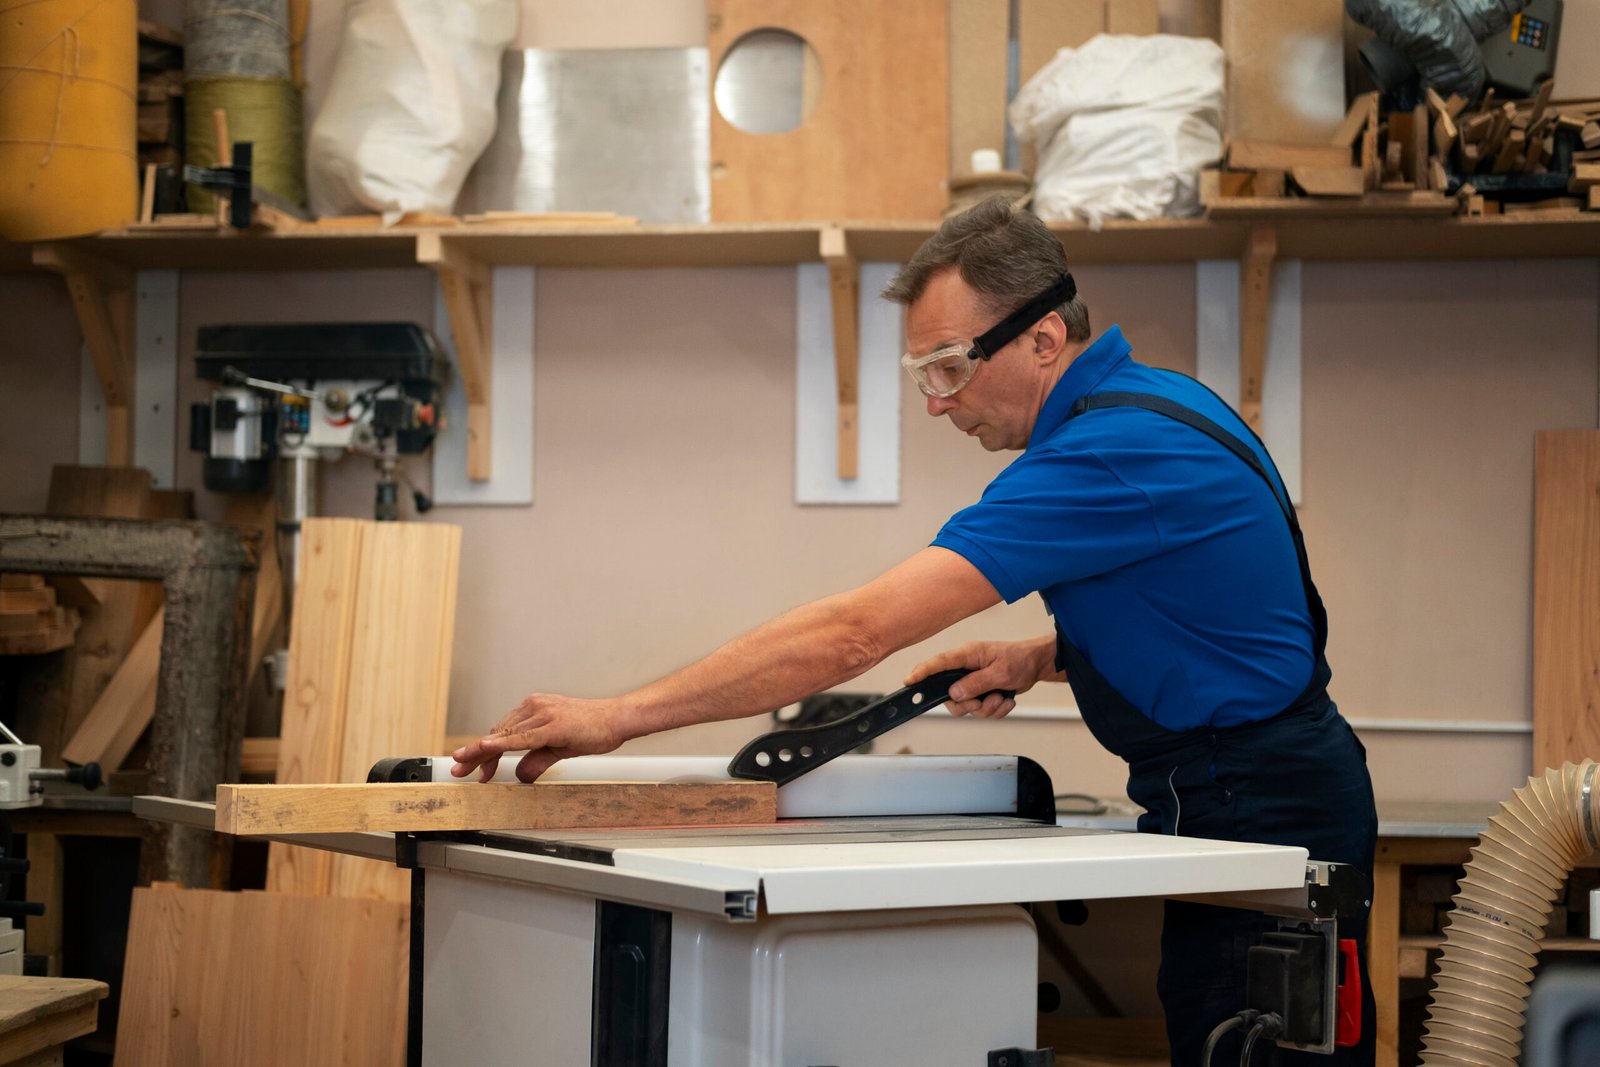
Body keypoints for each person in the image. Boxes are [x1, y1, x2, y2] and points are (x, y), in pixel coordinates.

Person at [451, 196, 1378, 1067]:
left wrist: (617, 716)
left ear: (1044, 338)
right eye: (923, 375)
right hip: (1254, 792)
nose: (938, 401)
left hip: (1258, 808)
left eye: (950, 367)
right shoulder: (1165, 404)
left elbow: (856, 632)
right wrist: (1036, 656)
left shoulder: (1101, 454)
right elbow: (1216, 616)